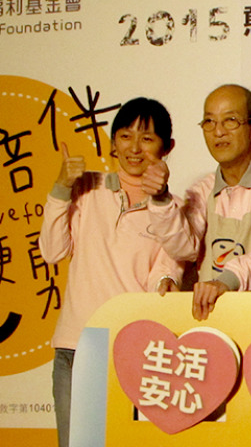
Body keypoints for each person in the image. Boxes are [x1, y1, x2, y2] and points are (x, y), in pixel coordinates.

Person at [38, 98, 183, 447]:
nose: (134, 148)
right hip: (76, 346)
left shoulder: (171, 208)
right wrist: (61, 188)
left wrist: (167, 282)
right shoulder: (86, 188)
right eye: (125, 136)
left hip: (135, 351)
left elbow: (167, 270)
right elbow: (52, 251)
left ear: (167, 147)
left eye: (147, 138)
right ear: (112, 142)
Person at [146, 84, 251, 320]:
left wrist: (228, 280)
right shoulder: (202, 189)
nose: (218, 132)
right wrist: (161, 198)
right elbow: (185, 248)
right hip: (214, 320)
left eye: (230, 120)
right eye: (209, 122)